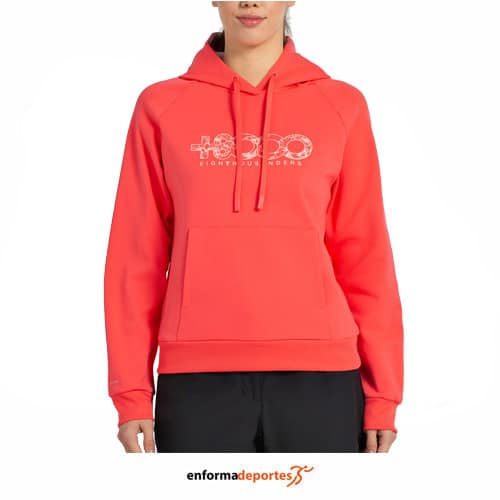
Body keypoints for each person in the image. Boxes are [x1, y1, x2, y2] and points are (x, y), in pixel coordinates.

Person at [104, 1, 404, 453]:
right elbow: (135, 260)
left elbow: (365, 256)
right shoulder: (161, 106)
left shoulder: (341, 105)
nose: (251, 1)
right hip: (196, 379)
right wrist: (132, 394)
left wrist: (382, 396)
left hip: (322, 377)